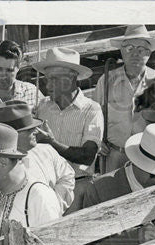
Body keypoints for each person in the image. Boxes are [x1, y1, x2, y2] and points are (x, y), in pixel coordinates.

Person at [90, 25, 155, 172]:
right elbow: (93, 115)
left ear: (149, 53)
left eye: (141, 49)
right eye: (129, 48)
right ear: (121, 52)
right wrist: (96, 140)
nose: (135, 54)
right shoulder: (106, 80)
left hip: (148, 157)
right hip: (114, 155)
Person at [32, 47, 105, 180]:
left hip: (78, 185)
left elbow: (88, 156)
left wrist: (51, 142)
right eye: (47, 79)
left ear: (72, 78)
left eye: (54, 79)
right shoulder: (42, 106)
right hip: (45, 184)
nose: (48, 86)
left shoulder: (92, 110)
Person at [0, 101, 76, 212]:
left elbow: (67, 177)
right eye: (29, 129)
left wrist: (54, 203)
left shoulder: (46, 151)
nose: (36, 131)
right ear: (12, 134)